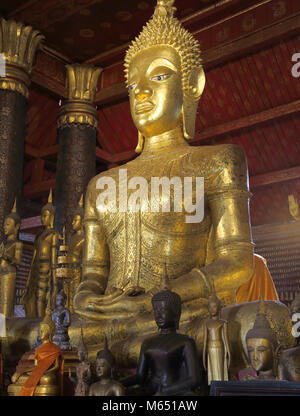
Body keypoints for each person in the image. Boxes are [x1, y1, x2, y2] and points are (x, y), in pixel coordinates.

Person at [122, 288, 201, 396]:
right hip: (151, 390)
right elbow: (140, 376)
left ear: (175, 312)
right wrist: (118, 383)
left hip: (174, 392)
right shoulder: (147, 342)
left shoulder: (185, 342)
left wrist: (165, 391)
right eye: (156, 311)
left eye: (163, 310)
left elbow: (194, 379)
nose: (158, 315)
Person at [22, 189, 59, 318]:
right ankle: (36, 320)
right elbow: (33, 257)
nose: (43, 218)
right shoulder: (38, 236)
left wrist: (54, 279)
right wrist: (28, 279)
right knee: (34, 296)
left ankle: (41, 321)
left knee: (42, 297)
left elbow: (54, 257)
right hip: (37, 270)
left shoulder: (53, 235)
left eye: (46, 215)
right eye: (42, 215)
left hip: (47, 270)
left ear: (52, 217)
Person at [9, 308, 62, 396]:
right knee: (20, 378)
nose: (40, 333)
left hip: (47, 373)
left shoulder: (54, 348)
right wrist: (21, 372)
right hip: (37, 372)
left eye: (43, 330)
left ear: (49, 332)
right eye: (40, 330)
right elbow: (36, 366)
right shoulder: (39, 349)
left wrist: (45, 371)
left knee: (47, 379)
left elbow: (56, 366)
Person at [0, 199, 23, 317]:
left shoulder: (17, 244)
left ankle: (3, 333)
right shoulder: (4, 244)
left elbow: (18, 262)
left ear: (17, 226)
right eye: (4, 224)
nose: (5, 226)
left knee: (5, 305)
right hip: (1, 273)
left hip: (9, 275)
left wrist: (6, 256)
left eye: (8, 224)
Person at [203, 289, 230, 385]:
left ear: (219, 308)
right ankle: (214, 388)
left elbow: (226, 340)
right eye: (210, 307)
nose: (212, 309)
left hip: (220, 347)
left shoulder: (223, 323)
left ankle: (222, 387)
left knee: (221, 372)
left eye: (214, 307)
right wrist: (203, 358)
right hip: (210, 348)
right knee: (213, 372)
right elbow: (205, 342)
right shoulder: (207, 323)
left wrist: (229, 354)